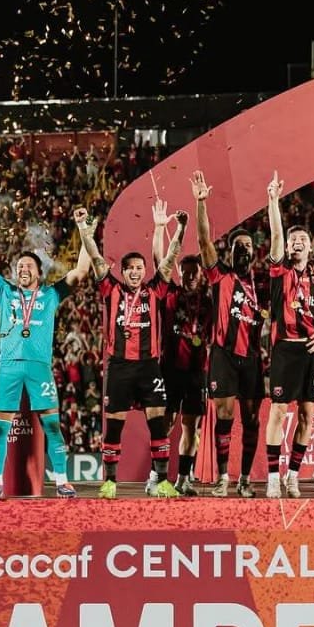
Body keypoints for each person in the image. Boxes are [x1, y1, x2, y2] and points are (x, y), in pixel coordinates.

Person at [0, 196, 91, 499]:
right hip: (8, 368)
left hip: (39, 369)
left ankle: (62, 480)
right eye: (19, 266)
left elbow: (81, 271)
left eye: (28, 265)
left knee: (52, 426)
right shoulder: (5, 291)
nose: (22, 269)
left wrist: (83, 229)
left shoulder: (51, 294)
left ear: (38, 271)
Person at [76, 200, 184, 499]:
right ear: (122, 271)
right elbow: (96, 257)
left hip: (149, 366)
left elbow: (171, 257)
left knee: (158, 423)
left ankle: (162, 481)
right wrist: (84, 229)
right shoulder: (110, 289)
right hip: (120, 366)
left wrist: (179, 230)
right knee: (114, 427)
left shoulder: (155, 290)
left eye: (140, 268)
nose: (136, 272)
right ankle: (110, 482)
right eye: (131, 269)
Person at [192, 170, 264, 499]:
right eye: (238, 246)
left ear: (255, 252)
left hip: (251, 358)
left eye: (248, 246)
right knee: (224, 414)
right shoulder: (219, 275)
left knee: (251, 419)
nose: (243, 251)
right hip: (222, 353)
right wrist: (201, 204)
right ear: (231, 250)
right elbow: (204, 241)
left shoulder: (264, 283)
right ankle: (223, 477)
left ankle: (245, 478)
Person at [264, 172, 314, 499]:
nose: (297, 242)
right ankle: (273, 477)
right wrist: (274, 201)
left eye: (302, 238)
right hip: (285, 351)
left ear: (311, 245)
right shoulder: (280, 271)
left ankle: (292, 474)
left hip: (311, 352)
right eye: (293, 240)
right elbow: (276, 235)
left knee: (307, 415)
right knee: (278, 411)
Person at [155, 243, 209, 497]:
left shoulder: (208, 300)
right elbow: (160, 261)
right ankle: (156, 477)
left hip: (197, 372)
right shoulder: (170, 295)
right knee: (166, 423)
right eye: (185, 272)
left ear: (201, 274)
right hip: (170, 370)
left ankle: (183, 479)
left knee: (191, 426)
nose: (189, 277)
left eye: (194, 273)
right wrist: (161, 231)